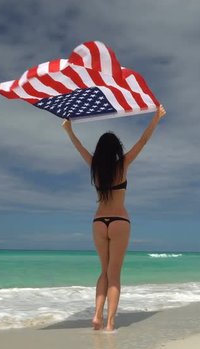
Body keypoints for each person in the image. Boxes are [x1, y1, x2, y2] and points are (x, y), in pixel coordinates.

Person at [61, 105, 166, 331]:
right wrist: (156, 117)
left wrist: (69, 130)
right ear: (116, 149)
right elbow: (143, 141)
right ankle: (110, 323)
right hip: (119, 221)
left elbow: (79, 147)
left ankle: (97, 316)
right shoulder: (123, 164)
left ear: (100, 151)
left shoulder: (95, 167)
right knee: (114, 273)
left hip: (99, 222)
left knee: (103, 271)